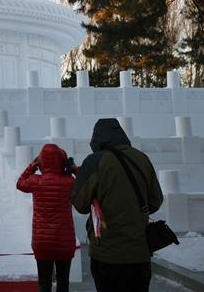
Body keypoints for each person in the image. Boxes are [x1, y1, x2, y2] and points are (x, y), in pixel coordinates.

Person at [72, 118, 163, 292]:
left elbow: (81, 204)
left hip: (107, 254)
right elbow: (155, 202)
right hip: (139, 253)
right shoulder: (142, 158)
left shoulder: (95, 161)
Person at [16, 144, 77, 292]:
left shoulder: (36, 181)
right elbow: (85, 183)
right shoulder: (70, 182)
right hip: (64, 240)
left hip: (42, 240)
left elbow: (20, 184)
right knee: (63, 283)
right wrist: (74, 169)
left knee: (44, 283)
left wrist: (32, 166)